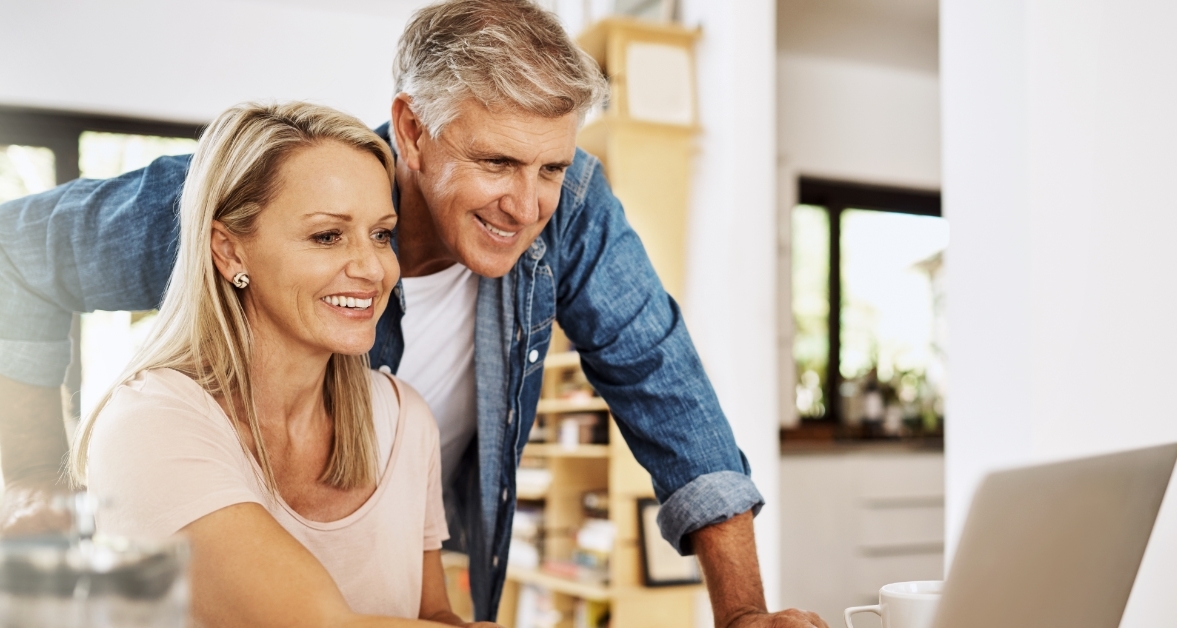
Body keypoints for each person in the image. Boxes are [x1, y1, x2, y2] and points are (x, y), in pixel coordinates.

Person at [0, 1, 828, 627]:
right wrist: (34, 484)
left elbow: (662, 377)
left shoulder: (556, 220)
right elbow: (15, 252)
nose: (529, 202)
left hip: (421, 545)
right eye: (496, 161)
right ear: (413, 129)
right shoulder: (259, 193)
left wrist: (745, 612)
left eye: (551, 165)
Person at [73, 100, 494, 627]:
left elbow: (433, 614)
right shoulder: (148, 425)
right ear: (229, 251)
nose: (372, 268)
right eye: (327, 235)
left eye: (381, 234)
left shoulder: (405, 421)